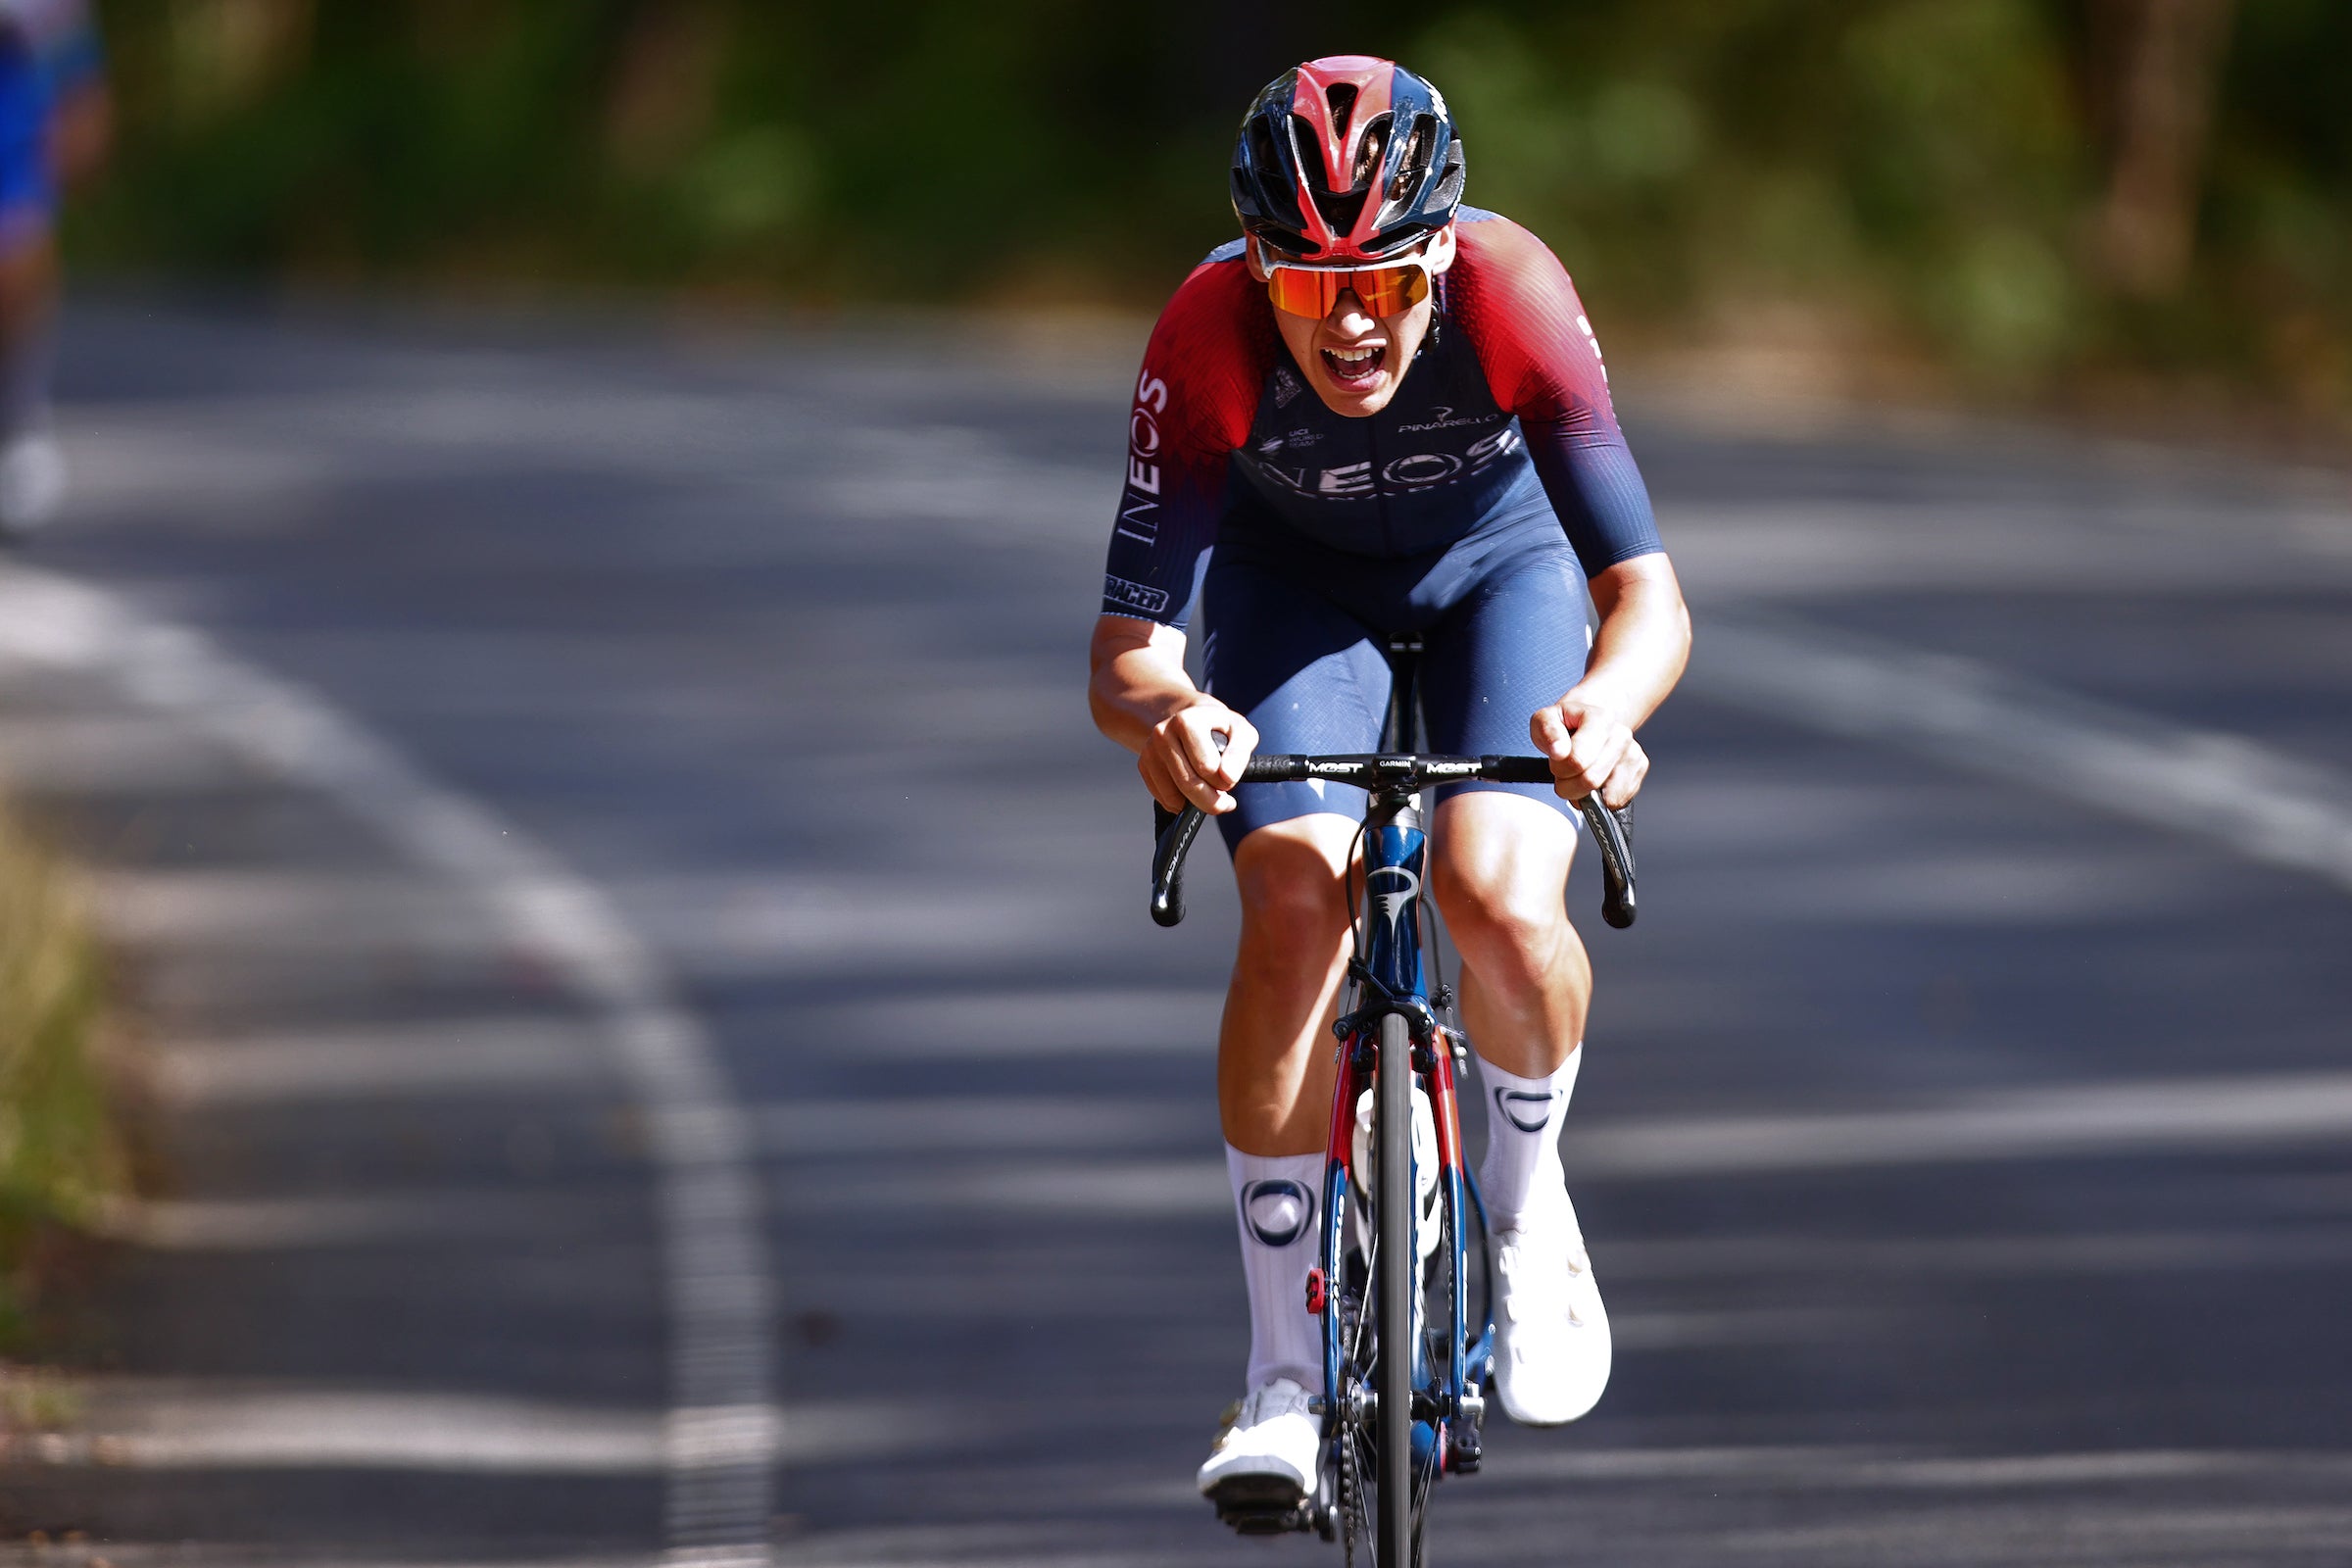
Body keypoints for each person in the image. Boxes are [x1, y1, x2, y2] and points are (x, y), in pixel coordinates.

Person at [1085, 56, 1691, 1517]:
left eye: (1387, 283)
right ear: (1257, 272)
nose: (1350, 322)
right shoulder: (1204, 333)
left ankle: (1527, 1204)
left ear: (1443, 262)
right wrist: (1169, 716)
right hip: (1295, 594)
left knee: (1492, 888)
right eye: (1306, 286)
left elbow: (1648, 598)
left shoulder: (1516, 297)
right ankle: (1284, 1382)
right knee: (1295, 895)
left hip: (1506, 572)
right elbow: (1124, 654)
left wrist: (1606, 711)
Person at [0, 0, 105, 540]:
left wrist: (84, 103)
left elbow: (66, 36)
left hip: (10, 126)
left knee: (18, 269)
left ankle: (19, 424)